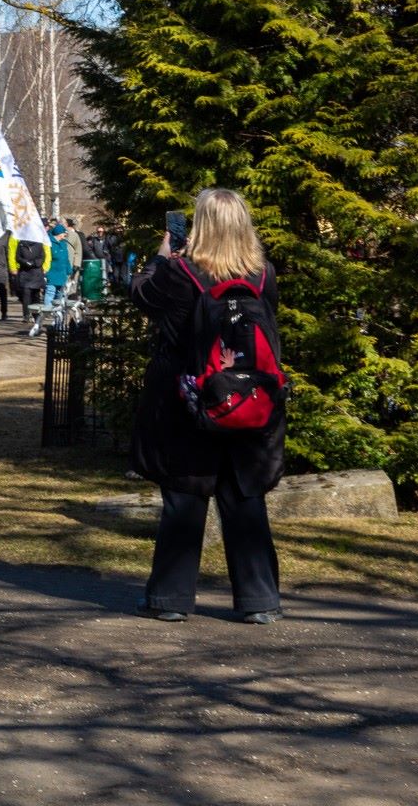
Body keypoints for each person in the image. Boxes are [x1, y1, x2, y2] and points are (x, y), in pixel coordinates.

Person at [130, 189, 285, 624]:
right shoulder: (262, 274)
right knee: (244, 495)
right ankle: (260, 600)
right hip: (246, 399)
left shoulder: (181, 272)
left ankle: (170, 598)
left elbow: (141, 296)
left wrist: (160, 256)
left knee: (185, 496)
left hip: (189, 398)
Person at [12, 234, 48, 325]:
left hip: (36, 273)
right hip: (25, 273)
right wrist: (26, 262)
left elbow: (42, 257)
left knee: (36, 296)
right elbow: (17, 257)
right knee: (26, 295)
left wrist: (34, 263)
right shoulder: (21, 244)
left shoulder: (39, 244)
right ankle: (26, 315)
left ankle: (36, 315)